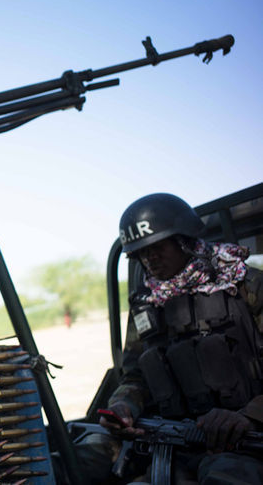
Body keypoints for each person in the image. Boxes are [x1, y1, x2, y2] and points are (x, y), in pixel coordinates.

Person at [67, 193, 263, 484]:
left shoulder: (246, 285)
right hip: (172, 440)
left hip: (244, 441)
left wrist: (250, 415)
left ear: (184, 240)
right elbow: (135, 374)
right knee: (76, 465)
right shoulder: (148, 304)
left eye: (157, 247)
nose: (150, 258)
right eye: (141, 253)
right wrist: (124, 407)